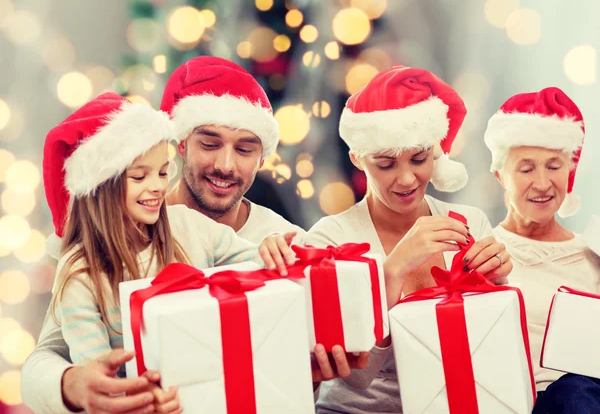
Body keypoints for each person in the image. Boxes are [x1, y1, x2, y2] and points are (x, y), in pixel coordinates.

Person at [21, 93, 295, 414]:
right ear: (101, 186)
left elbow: (259, 266)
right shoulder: (81, 273)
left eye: (163, 173)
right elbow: (100, 374)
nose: (157, 187)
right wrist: (142, 401)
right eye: (139, 176)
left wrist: (270, 248)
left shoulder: (185, 225)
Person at [305, 65, 513, 413]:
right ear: (357, 158)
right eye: (386, 164)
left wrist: (500, 286)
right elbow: (352, 379)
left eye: (419, 159)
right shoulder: (331, 240)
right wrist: (392, 271)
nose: (406, 179)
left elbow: (494, 352)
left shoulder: (469, 222)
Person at [485, 87, 600, 414]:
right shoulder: (483, 253)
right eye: (526, 169)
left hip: (582, 401)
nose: (542, 183)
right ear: (500, 176)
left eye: (554, 166)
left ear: (570, 171)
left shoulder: (594, 256)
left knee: (576, 389)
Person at [160, 56, 305, 242]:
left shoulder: (289, 244)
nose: (225, 166)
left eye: (244, 150)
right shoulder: (134, 231)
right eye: (210, 145)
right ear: (182, 144)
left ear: (262, 159)